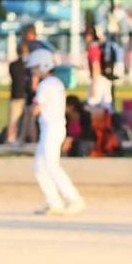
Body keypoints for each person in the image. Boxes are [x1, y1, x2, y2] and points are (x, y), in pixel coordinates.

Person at [26, 49, 84, 216]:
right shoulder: (56, 83)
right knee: (40, 166)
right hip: (55, 127)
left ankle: (74, 198)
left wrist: (32, 104)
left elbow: (36, 109)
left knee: (50, 165)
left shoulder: (45, 85)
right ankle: (54, 202)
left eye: (35, 68)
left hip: (51, 128)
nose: (33, 71)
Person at [7, 42, 31, 145]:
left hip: (18, 95)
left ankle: (14, 139)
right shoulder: (19, 65)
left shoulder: (14, 65)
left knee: (16, 120)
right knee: (15, 120)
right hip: (20, 95)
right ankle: (12, 139)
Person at [84, 24, 112, 110]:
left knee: (93, 102)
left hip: (98, 78)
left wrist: (94, 83)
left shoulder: (93, 47)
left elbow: (95, 65)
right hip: (105, 77)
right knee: (106, 104)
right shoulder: (102, 46)